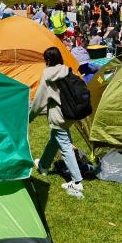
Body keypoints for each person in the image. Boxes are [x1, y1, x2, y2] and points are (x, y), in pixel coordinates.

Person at [29, 47, 85, 198]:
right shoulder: (67, 70)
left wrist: (30, 116)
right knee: (54, 140)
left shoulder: (48, 75)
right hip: (70, 114)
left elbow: (39, 100)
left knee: (65, 146)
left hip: (58, 116)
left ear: (47, 60)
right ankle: (43, 166)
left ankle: (77, 182)